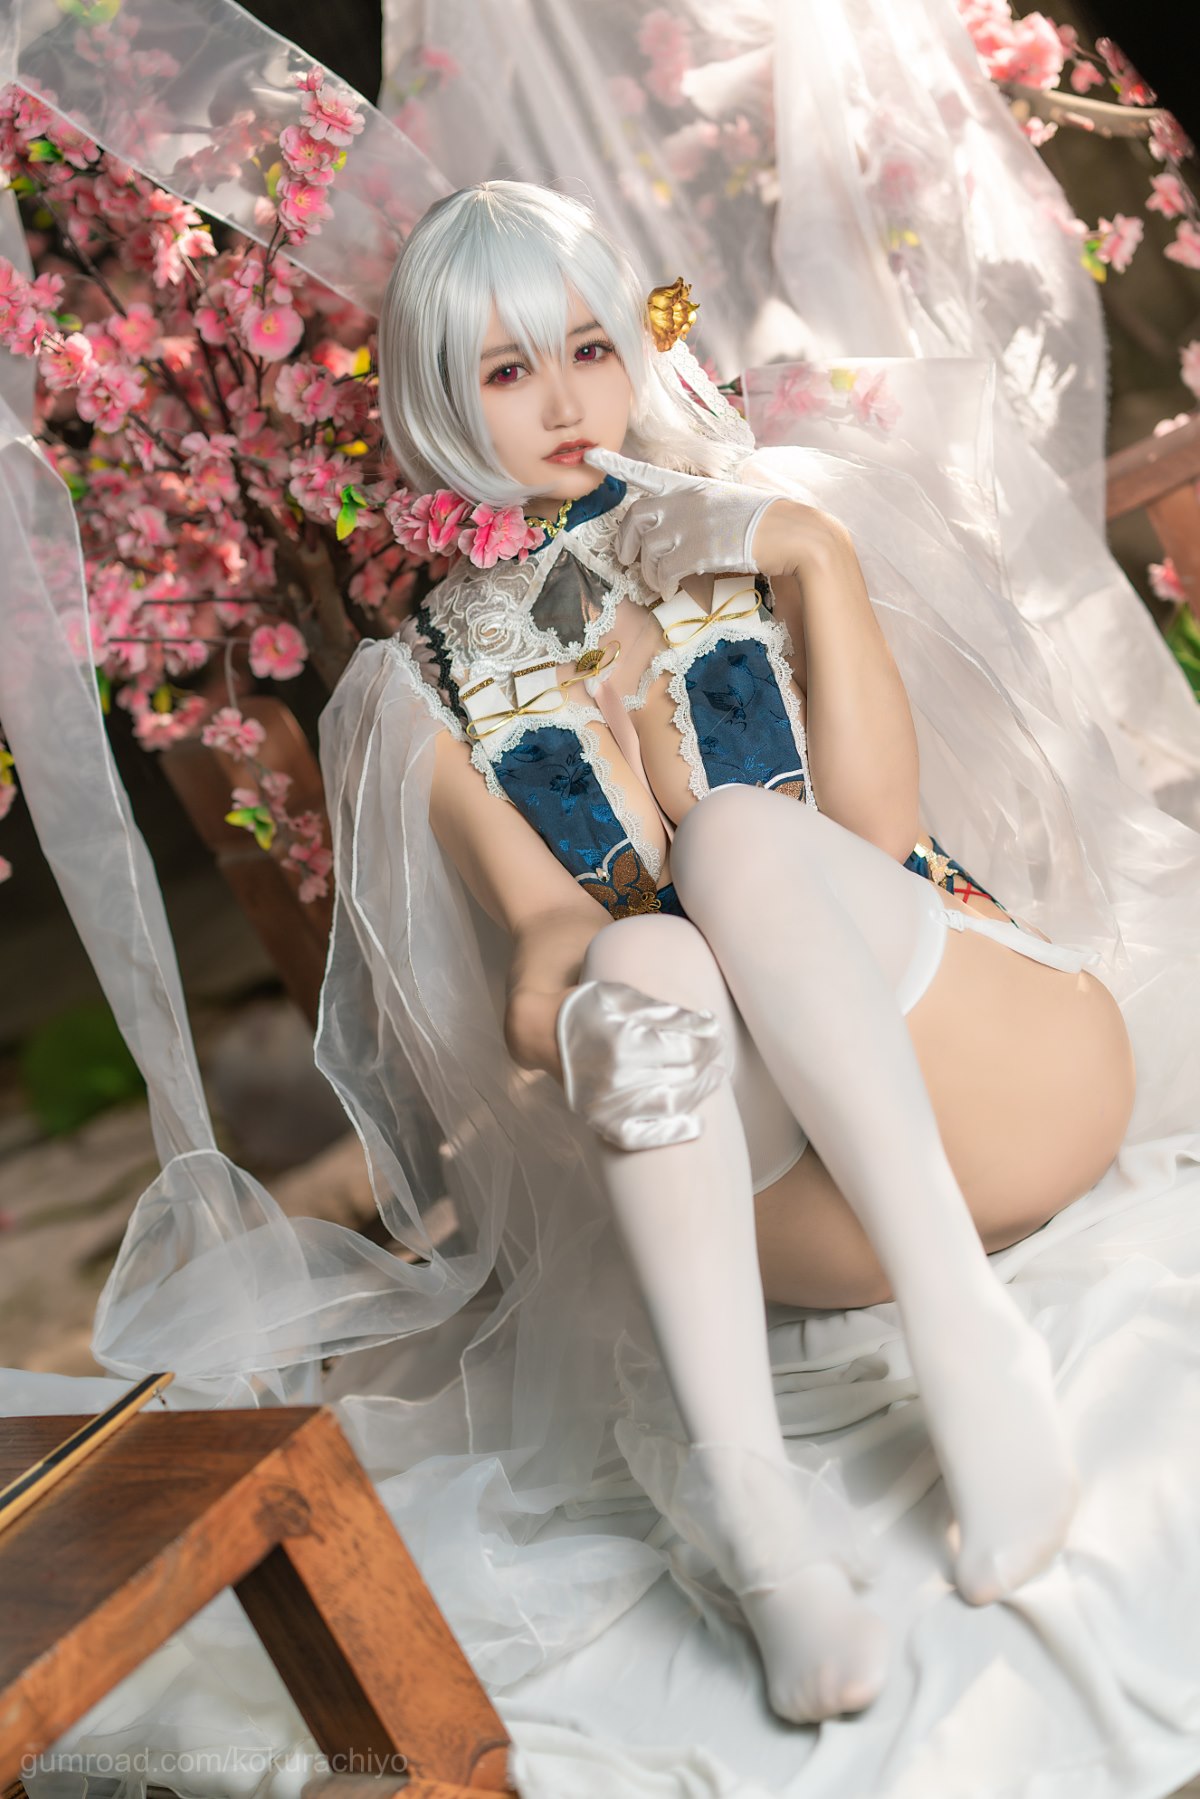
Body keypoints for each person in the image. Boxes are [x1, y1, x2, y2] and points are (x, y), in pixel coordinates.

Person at [353, 177, 1137, 1724]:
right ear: (440, 400)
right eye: (507, 371)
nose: (565, 403)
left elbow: (879, 835)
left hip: (991, 1068)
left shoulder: (752, 520)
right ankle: (764, 1532)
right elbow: (545, 941)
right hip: (795, 1206)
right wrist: (575, 1028)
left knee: (734, 843)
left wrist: (812, 557)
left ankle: (968, 1350)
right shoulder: (417, 687)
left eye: (589, 348)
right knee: (638, 967)